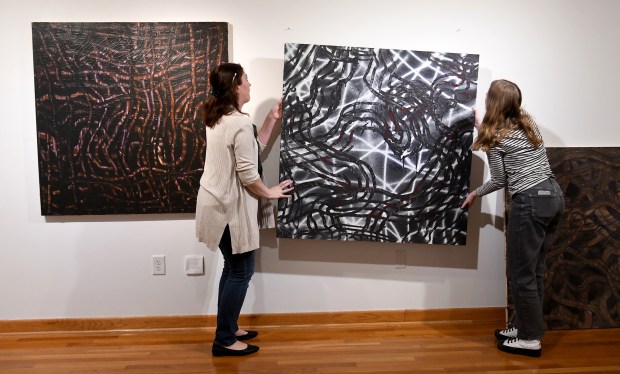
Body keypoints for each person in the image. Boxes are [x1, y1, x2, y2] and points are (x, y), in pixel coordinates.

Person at [195, 62, 293, 357]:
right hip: (227, 210)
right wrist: (271, 193)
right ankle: (224, 339)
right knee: (241, 271)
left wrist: (270, 119)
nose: (250, 84)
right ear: (236, 85)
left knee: (235, 269)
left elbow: (252, 147)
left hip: (218, 205)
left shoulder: (223, 118)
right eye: (246, 79)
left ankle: (228, 327)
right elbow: (249, 174)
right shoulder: (235, 122)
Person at [461, 79, 564, 358]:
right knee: (534, 272)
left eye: (488, 94)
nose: (484, 95)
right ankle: (523, 327)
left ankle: (530, 340)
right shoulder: (527, 124)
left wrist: (475, 193)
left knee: (520, 276)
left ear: (493, 102)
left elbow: (499, 179)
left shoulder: (496, 136)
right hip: (553, 197)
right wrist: (482, 127)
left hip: (530, 201)